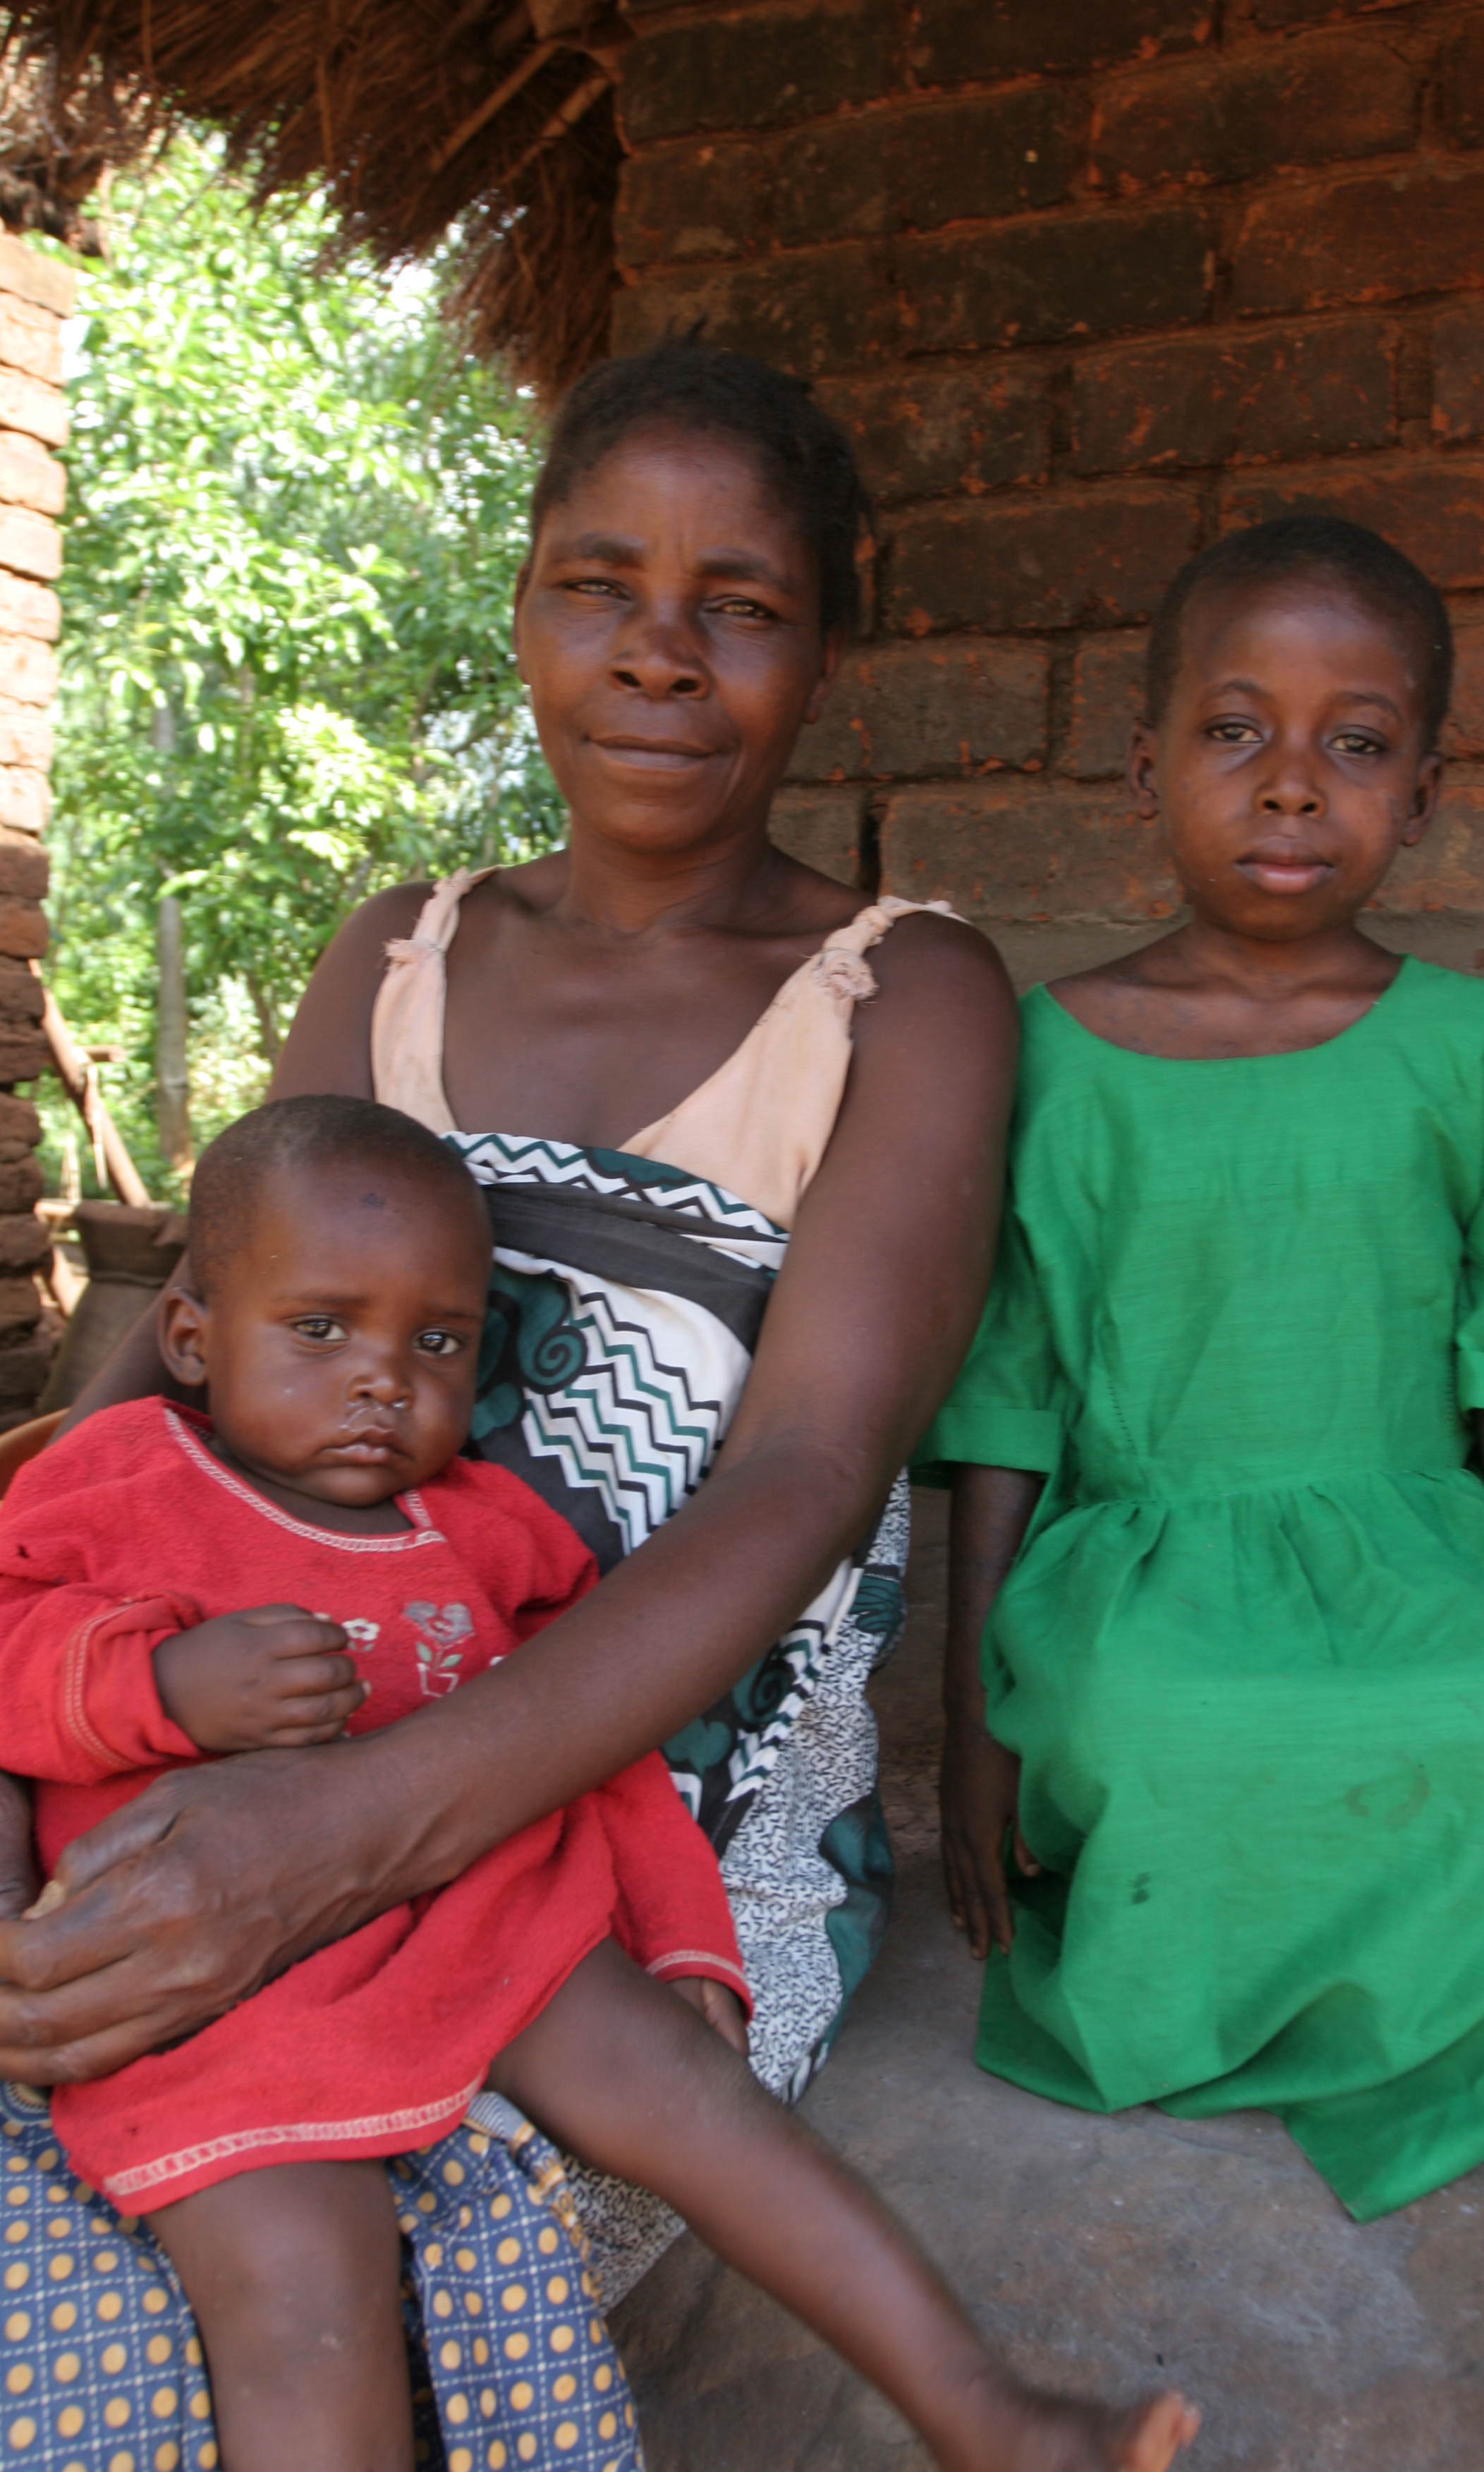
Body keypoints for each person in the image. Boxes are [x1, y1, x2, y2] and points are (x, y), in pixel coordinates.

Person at [0, 338, 1108, 2457]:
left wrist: (332, 1838)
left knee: (293, 2309)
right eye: (600, 586)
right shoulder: (394, 957)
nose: (663, 657)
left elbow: (799, 1477)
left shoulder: (906, 995)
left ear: (827, 646)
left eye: (743, 606)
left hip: (632, 1860)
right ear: (521, 608)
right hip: (237, 1741)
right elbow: (158, 1400)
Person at [2, 1095, 1197, 2472]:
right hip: (209, 1982)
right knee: (298, 2273)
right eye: (320, 1328)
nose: (383, 1378)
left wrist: (683, 1928)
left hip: (484, 1917)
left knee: (702, 2104)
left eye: (436, 1340)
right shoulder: (113, 1480)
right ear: (192, 1337)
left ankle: (983, 2411)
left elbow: (587, 1745)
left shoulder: (491, 1532)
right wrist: (149, 1689)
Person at [923, 515, 1484, 2224]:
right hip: (1145, 1555)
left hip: (1414, 1543)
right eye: (1235, 730)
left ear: (1428, 785)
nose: (1292, 785)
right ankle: (1193, 2004)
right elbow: (1005, 1405)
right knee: (1154, 1716)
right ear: (1144, 763)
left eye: (1358, 742)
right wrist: (971, 1724)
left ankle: (1412, 2013)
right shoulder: (1036, 1058)